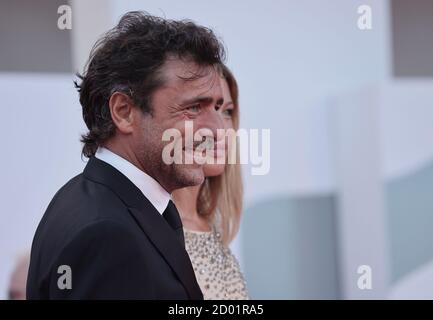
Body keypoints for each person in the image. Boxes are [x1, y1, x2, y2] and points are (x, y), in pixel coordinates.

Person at [27, 11, 227, 299]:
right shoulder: (106, 234)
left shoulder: (97, 202)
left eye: (218, 109)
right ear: (124, 112)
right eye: (193, 108)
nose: (217, 130)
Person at [172, 65, 248, 299]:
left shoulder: (209, 223)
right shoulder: (155, 227)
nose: (221, 129)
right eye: (197, 108)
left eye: (226, 111)